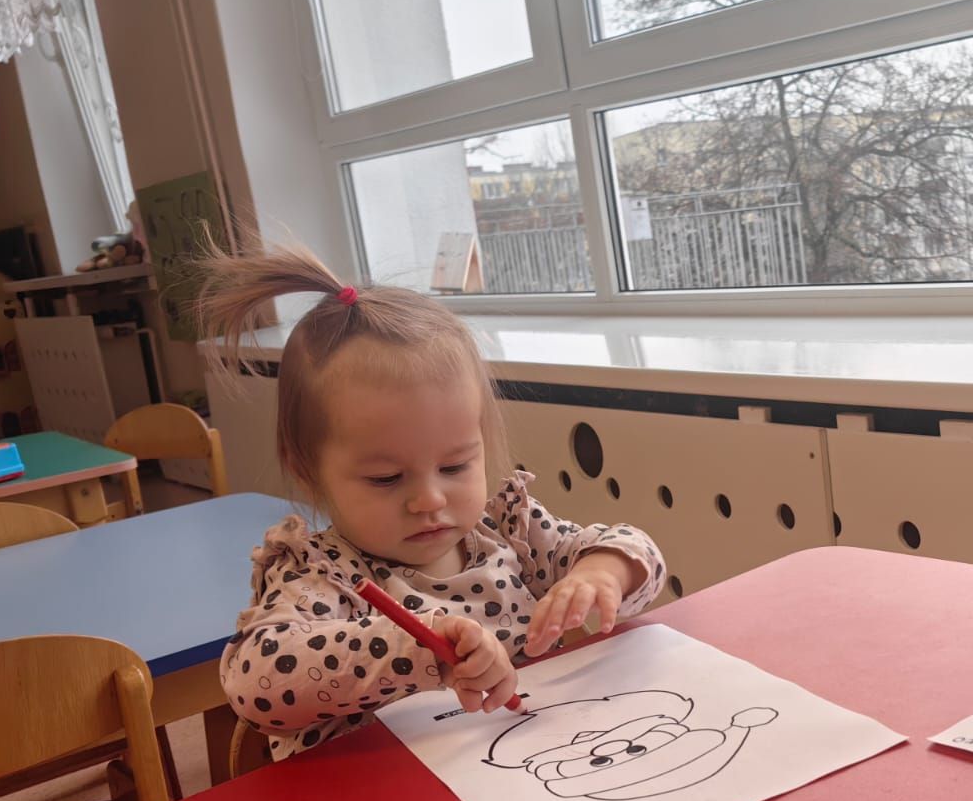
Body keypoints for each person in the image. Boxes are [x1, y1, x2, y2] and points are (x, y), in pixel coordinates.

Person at [196, 244, 666, 756]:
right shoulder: (321, 576)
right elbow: (254, 682)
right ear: (306, 467)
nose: (428, 499)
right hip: (386, 797)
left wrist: (603, 572)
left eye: (454, 467)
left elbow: (635, 549)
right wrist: (420, 647)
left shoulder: (511, 532)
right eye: (386, 478)